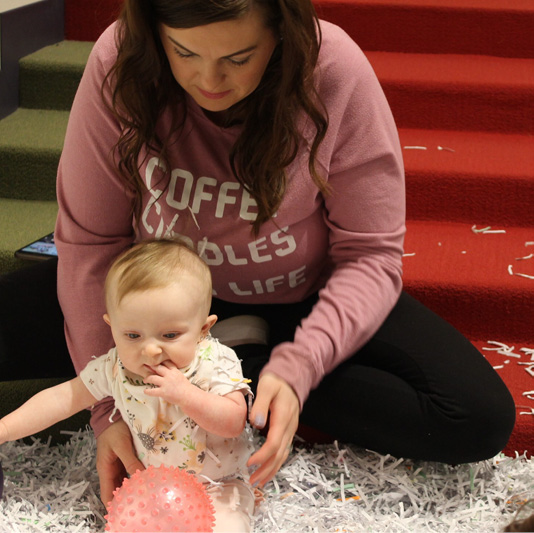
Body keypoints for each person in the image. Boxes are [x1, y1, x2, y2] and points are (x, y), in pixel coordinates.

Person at [0, 0, 515, 508]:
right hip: (154, 310)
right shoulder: (121, 59)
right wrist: (112, 410)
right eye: (184, 52)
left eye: (238, 58)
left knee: (475, 416)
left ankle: (243, 373)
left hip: (299, 302)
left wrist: (298, 368)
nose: (209, 80)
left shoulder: (333, 68)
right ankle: (230, 375)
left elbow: (370, 255)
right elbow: (91, 243)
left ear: (281, 31)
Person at [0, 239, 255, 532]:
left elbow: (234, 421)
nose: (150, 351)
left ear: (203, 329)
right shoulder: (114, 367)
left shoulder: (215, 360)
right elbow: (62, 398)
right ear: (112, 326)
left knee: (227, 526)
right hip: (151, 484)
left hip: (219, 483)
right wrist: (5, 429)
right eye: (133, 335)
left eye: (169, 335)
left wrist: (187, 396)